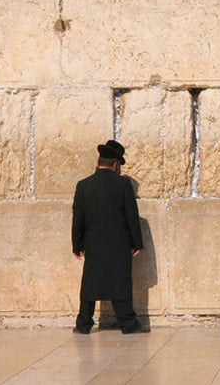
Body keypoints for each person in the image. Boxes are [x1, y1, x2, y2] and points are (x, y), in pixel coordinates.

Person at [72, 139, 148, 334]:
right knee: (120, 281)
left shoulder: (83, 186)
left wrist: (77, 245)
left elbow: (78, 218)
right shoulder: (123, 185)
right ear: (115, 164)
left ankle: (83, 324)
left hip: (93, 243)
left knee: (90, 281)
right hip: (118, 244)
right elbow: (131, 215)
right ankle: (128, 324)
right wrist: (136, 242)